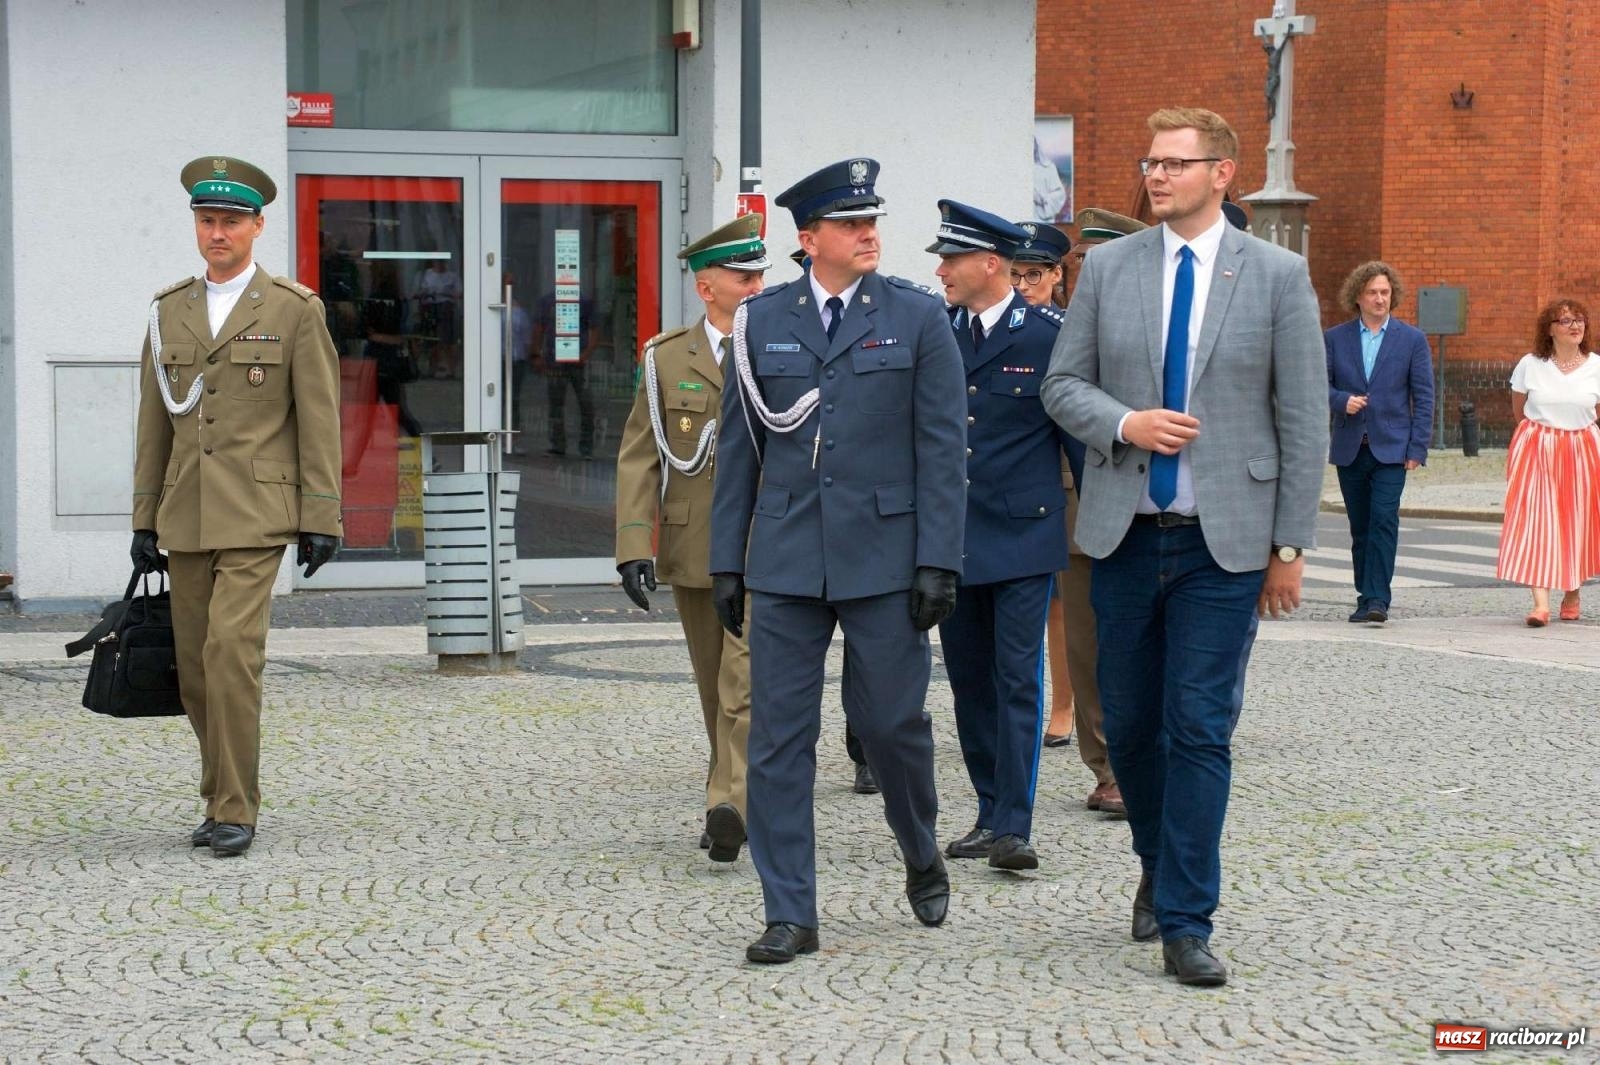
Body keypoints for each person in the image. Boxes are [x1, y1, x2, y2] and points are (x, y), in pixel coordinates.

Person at [1041, 109, 1327, 987]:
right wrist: (1125, 421)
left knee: (1199, 726)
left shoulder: (1277, 276)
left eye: (1175, 163)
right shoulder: (1111, 268)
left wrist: (1290, 543)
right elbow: (1061, 383)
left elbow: (1302, 414)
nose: (1156, 176)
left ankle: (1187, 916)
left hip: (1224, 544)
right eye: (1150, 160)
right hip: (1123, 532)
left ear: (1224, 173)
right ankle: (1158, 864)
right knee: (1128, 725)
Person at [710, 158, 967, 964]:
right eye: (851, 223)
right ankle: (790, 910)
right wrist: (727, 558)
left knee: (893, 725)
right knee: (780, 739)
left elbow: (943, 448)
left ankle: (919, 845)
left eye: (871, 221)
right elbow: (740, 450)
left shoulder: (918, 318)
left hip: (886, 558)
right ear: (808, 236)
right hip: (785, 559)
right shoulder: (760, 322)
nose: (868, 234)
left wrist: (940, 561)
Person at [130, 156, 342, 858]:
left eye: (229, 221)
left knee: (230, 654)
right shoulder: (169, 311)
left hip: (257, 515)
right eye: (206, 220)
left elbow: (318, 419)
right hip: (186, 513)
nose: (216, 232)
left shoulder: (292, 310)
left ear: (257, 225)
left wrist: (321, 515)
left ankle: (236, 807)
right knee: (194, 666)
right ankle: (216, 791)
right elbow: (153, 423)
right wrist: (142, 518)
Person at [614, 214, 769, 863]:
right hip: (694, 543)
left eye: (760, 272)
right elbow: (639, 455)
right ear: (708, 286)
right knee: (714, 686)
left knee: (746, 679)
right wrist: (631, 545)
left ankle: (727, 801)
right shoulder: (665, 357)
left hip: (765, 541)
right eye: (743, 275)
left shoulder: (780, 344)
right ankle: (729, 789)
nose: (757, 283)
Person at [929, 202, 1072, 872]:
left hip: (1023, 535)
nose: (941, 270)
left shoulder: (1049, 335)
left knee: (1018, 678)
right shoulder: (935, 331)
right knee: (969, 682)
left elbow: (1075, 439)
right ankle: (989, 810)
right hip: (952, 538)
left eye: (952, 259)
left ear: (991, 264)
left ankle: (1014, 823)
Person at [1325, 262, 1435, 624]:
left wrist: (1417, 448)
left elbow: (1424, 395)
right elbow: (1317, 387)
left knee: (1384, 520)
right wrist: (1342, 400)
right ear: (1357, 296)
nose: (1379, 298)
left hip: (1392, 448)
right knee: (1360, 527)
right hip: (1350, 446)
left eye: (1385, 292)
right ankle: (1364, 594)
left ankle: (1377, 599)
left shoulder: (1411, 339)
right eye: (1372, 292)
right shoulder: (1335, 338)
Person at [1011, 222, 1078, 750]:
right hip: (1018, 478)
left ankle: (1065, 702)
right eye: (1014, 273)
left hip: (1065, 476)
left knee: (1068, 600)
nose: (1023, 284)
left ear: (1056, 275)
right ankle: (1030, 702)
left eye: (1033, 273)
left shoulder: (1068, 327)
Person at [1495, 298, 1600, 624]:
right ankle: (1540, 603)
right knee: (1536, 520)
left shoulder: (1596, 365)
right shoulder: (1531, 364)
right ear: (1550, 330)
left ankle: (1572, 590)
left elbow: (1595, 414)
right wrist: (1539, 437)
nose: (1575, 326)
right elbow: (1519, 409)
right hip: (1537, 447)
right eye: (1566, 321)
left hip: (1582, 448)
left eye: (1579, 320)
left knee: (1578, 521)